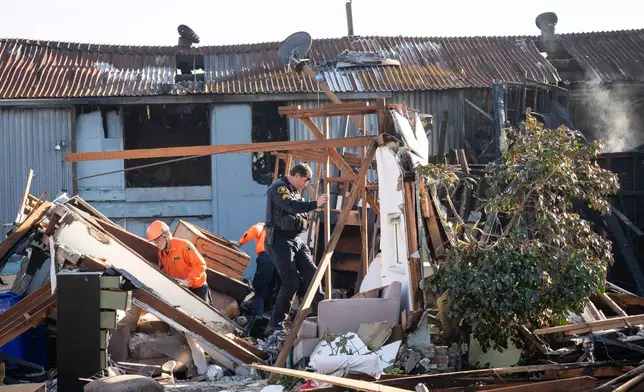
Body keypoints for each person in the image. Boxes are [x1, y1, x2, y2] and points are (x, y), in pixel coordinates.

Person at [265, 163, 328, 334]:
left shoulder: (295, 191)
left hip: (295, 239)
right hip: (279, 241)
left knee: (311, 272)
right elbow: (291, 206)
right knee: (291, 281)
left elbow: (299, 213)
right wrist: (315, 203)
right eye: (306, 180)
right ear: (298, 176)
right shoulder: (279, 189)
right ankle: (275, 325)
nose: (307, 184)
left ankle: (322, 313)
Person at [146, 220, 211, 304]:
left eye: (158, 240)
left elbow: (200, 265)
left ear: (166, 234)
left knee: (203, 316)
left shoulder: (185, 246)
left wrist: (188, 281)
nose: (156, 243)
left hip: (197, 289)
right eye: (154, 241)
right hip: (181, 290)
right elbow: (164, 273)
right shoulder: (161, 254)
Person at [232, 222, 281, 316]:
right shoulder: (281, 228)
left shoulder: (263, 226)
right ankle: (273, 317)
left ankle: (258, 317)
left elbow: (254, 230)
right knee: (275, 289)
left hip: (266, 257)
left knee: (260, 290)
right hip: (281, 259)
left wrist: (240, 242)